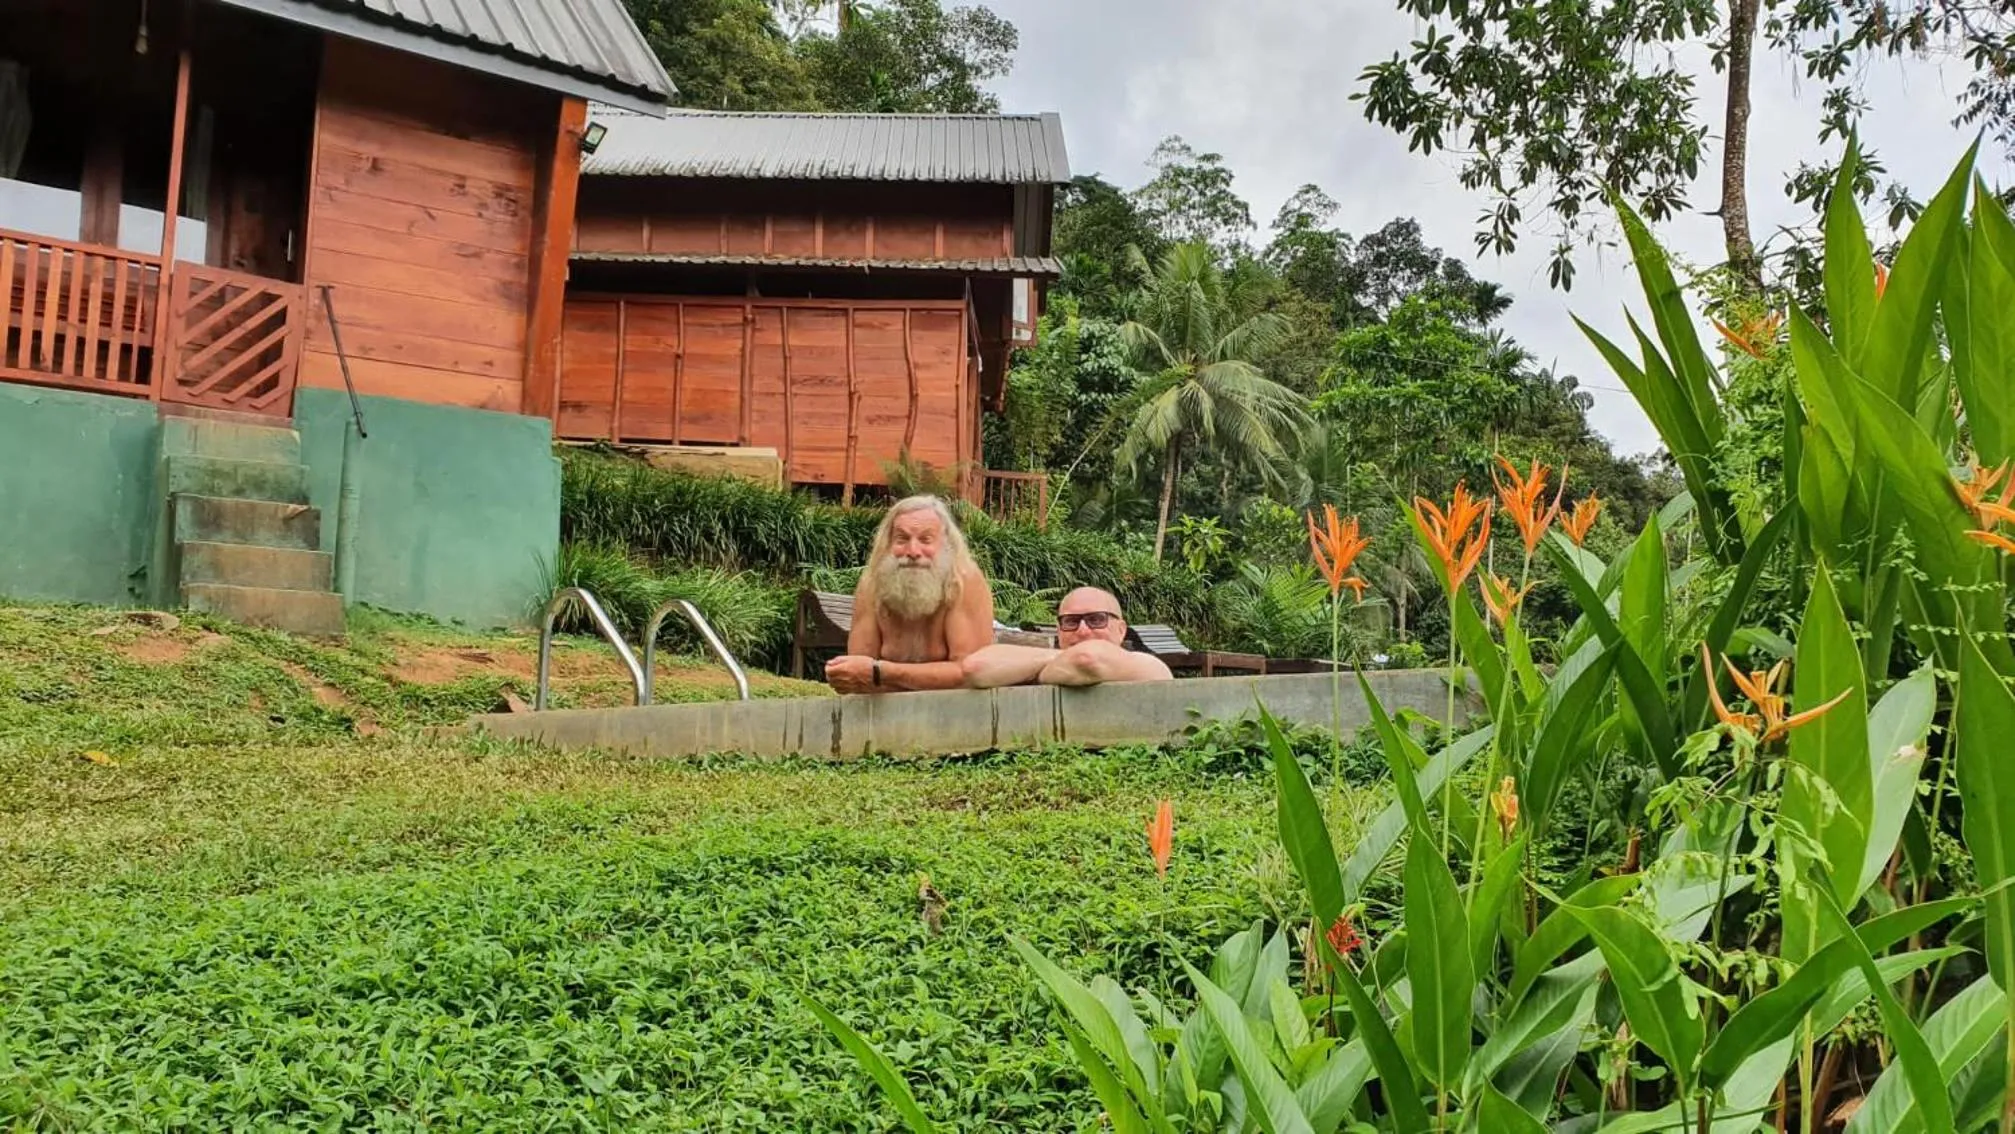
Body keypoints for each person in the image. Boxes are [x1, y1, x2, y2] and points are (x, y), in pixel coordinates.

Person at [824, 495, 995, 694]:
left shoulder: (965, 581)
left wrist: (882, 672)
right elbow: (860, 677)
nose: (913, 551)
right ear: (887, 545)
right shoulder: (872, 583)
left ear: (946, 545)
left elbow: (969, 675)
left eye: (925, 540)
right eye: (902, 539)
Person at [960, 586, 1173, 689]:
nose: (1082, 630)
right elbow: (974, 668)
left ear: (1121, 629)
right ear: (1059, 629)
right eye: (1071, 621)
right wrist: (1058, 661)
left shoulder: (1147, 664)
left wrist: (1031, 671)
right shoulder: (1059, 664)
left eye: (1096, 619)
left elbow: (1087, 660)